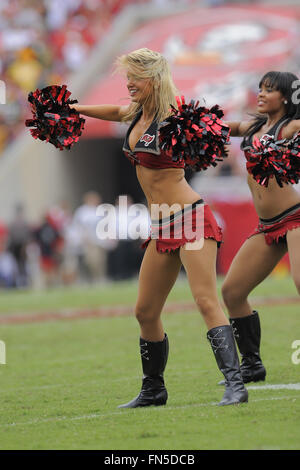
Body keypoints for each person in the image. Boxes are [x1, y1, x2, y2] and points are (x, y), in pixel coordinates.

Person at [72, 48, 248, 407]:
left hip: (191, 217)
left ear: (152, 79)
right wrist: (73, 109)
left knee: (205, 299)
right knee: (145, 311)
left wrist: (254, 128)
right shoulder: (136, 114)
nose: (128, 84)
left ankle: (236, 384)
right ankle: (154, 390)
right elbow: (113, 111)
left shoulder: (173, 115)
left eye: (134, 77)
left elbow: (218, 127)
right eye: (126, 77)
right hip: (161, 225)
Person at [222, 71, 300, 384]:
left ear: (286, 97)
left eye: (270, 90)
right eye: (261, 88)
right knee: (232, 291)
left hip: (295, 218)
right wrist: (170, 119)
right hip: (267, 225)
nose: (262, 94)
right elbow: (218, 128)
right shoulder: (252, 127)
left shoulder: (292, 126)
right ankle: (252, 364)